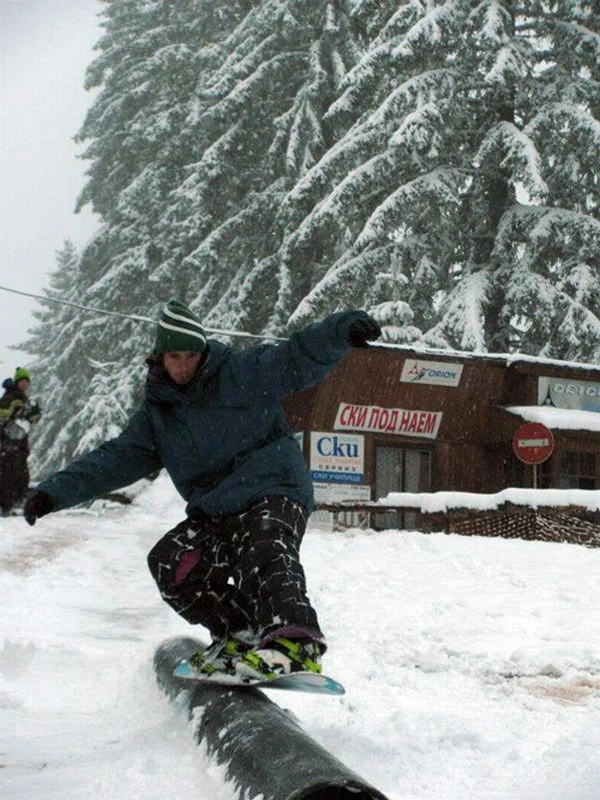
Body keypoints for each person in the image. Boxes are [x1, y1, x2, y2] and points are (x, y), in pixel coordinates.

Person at [24, 300, 381, 680]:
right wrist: (52, 493)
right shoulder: (159, 415)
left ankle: (295, 643)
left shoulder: (241, 373)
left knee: (262, 546)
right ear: (159, 358)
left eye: (190, 355)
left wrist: (341, 331)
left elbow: (295, 357)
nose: (182, 365)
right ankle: (242, 633)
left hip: (273, 486)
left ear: (203, 352)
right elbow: (113, 460)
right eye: (174, 357)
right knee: (172, 563)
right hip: (218, 508)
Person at [0, 368, 42, 515]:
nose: (24, 384)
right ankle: (7, 506)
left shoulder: (23, 398)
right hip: (8, 446)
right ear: (17, 382)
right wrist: (12, 413)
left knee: (19, 477)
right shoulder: (10, 396)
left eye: (26, 381)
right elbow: (3, 416)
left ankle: (11, 505)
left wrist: (33, 415)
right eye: (22, 381)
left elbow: (28, 420)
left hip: (19, 446)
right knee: (10, 477)